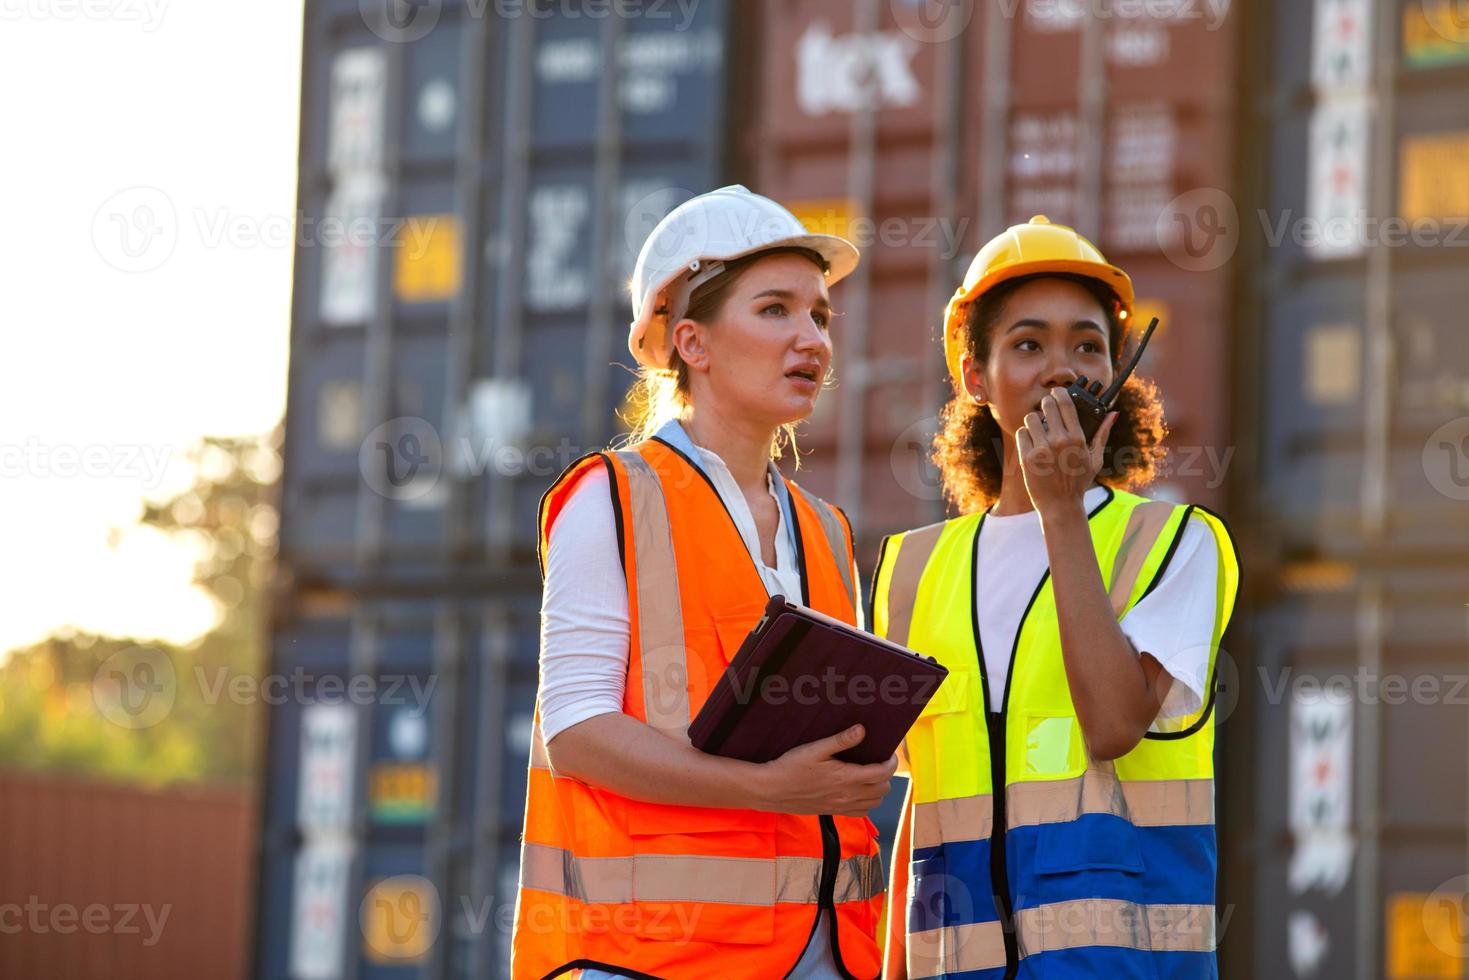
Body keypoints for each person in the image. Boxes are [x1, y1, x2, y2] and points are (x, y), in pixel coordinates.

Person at [511, 185, 895, 980]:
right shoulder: (610, 498)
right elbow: (576, 730)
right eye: (775, 310)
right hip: (651, 956)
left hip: (828, 956)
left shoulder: (825, 529)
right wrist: (769, 789)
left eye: (819, 316)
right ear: (692, 341)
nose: (811, 339)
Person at [874, 216, 1240, 979]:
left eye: (1086, 346)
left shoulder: (1175, 545)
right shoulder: (911, 570)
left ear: (1115, 373)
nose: (1060, 368)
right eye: (1028, 344)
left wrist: (1062, 511)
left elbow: (1111, 725)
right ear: (974, 376)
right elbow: (922, 806)